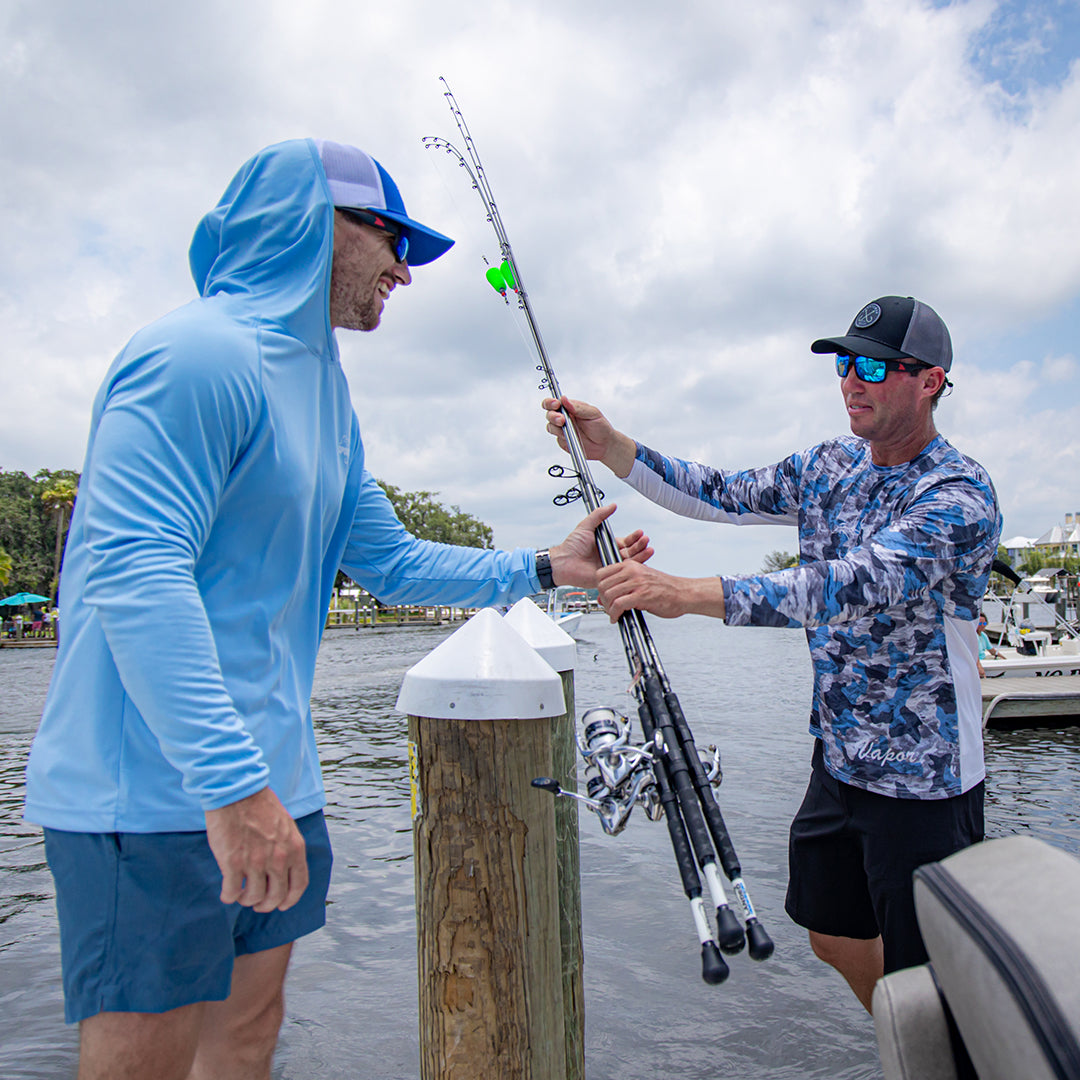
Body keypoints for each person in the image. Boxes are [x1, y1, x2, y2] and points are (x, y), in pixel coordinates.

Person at [24, 138, 650, 1080]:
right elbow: (134, 570)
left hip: (277, 780)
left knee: (248, 1032)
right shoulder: (191, 356)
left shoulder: (325, 394)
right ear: (312, 227)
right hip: (153, 792)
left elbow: (388, 561)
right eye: (389, 234)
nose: (404, 267)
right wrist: (231, 786)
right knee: (142, 1059)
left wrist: (543, 568)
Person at [544, 296, 1001, 1013]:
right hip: (840, 758)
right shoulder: (828, 465)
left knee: (935, 979)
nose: (851, 380)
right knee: (832, 932)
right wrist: (612, 448)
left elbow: (846, 585)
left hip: (926, 781)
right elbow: (721, 494)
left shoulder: (959, 495)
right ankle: (915, 1046)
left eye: (874, 366)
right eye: (845, 363)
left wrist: (680, 592)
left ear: (930, 380)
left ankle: (937, 1045)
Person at [977, 612, 1005, 676]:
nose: (983, 625)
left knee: (999, 658)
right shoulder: (973, 636)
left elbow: (992, 651)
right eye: (980, 623)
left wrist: (1005, 659)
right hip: (979, 661)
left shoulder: (983, 635)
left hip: (984, 658)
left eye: (984, 623)